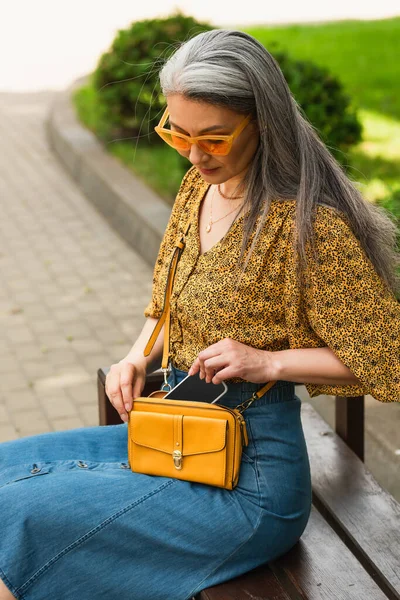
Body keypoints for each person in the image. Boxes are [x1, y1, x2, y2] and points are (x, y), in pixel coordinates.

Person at [0, 29, 399, 600]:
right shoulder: (198, 187)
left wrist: (271, 362)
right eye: (177, 133)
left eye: (213, 137)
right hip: (172, 433)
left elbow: (391, 358)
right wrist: (137, 356)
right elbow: (166, 302)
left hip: (248, 484)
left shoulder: (309, 226)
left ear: (263, 121)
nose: (192, 154)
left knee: (21, 519)